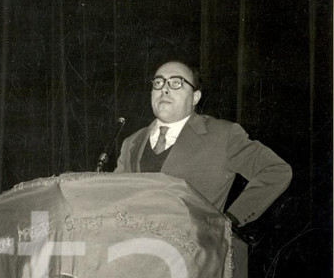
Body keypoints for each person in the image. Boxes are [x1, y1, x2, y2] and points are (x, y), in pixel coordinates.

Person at [114, 60, 292, 227]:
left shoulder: (224, 134)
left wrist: (229, 220)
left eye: (176, 83)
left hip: (195, 253)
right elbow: (115, 196)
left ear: (195, 97)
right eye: (158, 83)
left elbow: (275, 170)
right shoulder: (131, 142)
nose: (164, 90)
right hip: (136, 251)